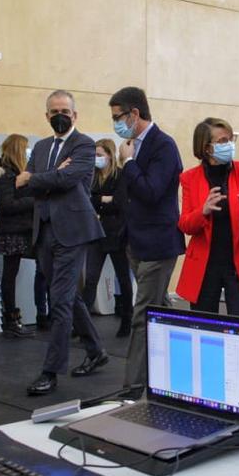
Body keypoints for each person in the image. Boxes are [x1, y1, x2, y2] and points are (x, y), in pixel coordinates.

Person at [17, 90, 109, 396]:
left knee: (59, 300)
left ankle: (50, 371)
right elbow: (22, 186)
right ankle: (96, 350)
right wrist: (48, 176)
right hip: (43, 230)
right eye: (54, 111)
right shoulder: (41, 146)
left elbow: (68, 180)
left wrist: (39, 177)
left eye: (65, 111)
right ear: (46, 115)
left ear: (75, 115)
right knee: (68, 296)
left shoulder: (84, 144)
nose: (60, 116)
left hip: (72, 232)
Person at [110, 87, 185, 389]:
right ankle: (177, 369)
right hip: (136, 241)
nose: (115, 123)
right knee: (160, 309)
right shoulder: (131, 144)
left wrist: (128, 164)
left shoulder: (163, 145)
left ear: (135, 114)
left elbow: (151, 191)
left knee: (143, 315)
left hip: (157, 243)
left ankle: (133, 387)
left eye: (118, 117)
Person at [176, 118, 239, 334]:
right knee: (204, 329)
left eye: (230, 139)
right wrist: (202, 211)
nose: (229, 144)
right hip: (206, 266)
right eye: (223, 141)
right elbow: (185, 224)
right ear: (206, 148)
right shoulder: (189, 178)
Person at [81, 138, 134, 337]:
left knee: (123, 277)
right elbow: (86, 200)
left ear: (110, 156)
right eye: (94, 155)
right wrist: (103, 199)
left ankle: (127, 319)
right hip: (96, 233)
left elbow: (120, 203)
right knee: (91, 279)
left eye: (100, 155)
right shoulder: (91, 176)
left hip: (117, 234)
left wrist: (99, 202)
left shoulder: (121, 176)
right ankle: (83, 324)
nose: (96, 159)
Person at [0, 135, 36, 339]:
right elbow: (7, 205)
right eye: (26, 149)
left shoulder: (16, 173)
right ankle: (11, 319)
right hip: (14, 230)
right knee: (10, 274)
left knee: (14, 273)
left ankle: (20, 317)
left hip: (23, 228)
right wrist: (34, 200)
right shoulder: (5, 174)